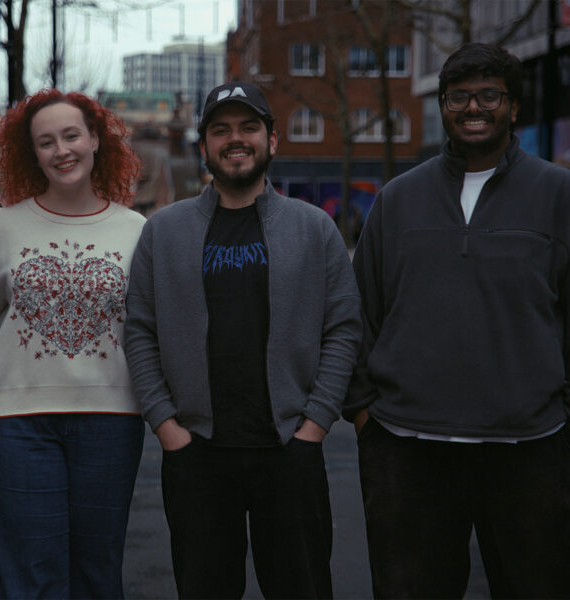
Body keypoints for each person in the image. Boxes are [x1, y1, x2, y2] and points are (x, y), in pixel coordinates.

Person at [345, 42, 570, 599]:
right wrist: (364, 413)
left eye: (490, 95)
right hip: (408, 448)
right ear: (444, 106)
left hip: (530, 448)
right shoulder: (398, 199)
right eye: (460, 97)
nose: (474, 107)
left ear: (513, 107)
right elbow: (358, 311)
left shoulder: (557, 193)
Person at [124, 81, 362, 599]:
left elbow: (344, 328)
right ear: (204, 145)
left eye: (248, 127)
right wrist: (167, 427)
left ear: (272, 140)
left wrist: (315, 426)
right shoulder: (164, 232)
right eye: (221, 129)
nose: (236, 139)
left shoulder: (314, 228)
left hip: (290, 451)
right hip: (197, 455)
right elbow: (139, 330)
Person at [0, 89, 146, 599]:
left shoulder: (137, 229)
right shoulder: (2, 225)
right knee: (29, 574)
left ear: (96, 139)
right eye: (45, 142)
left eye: (71, 135)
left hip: (112, 420)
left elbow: (145, 329)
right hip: (15, 423)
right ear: (33, 153)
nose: (61, 150)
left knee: (97, 573)